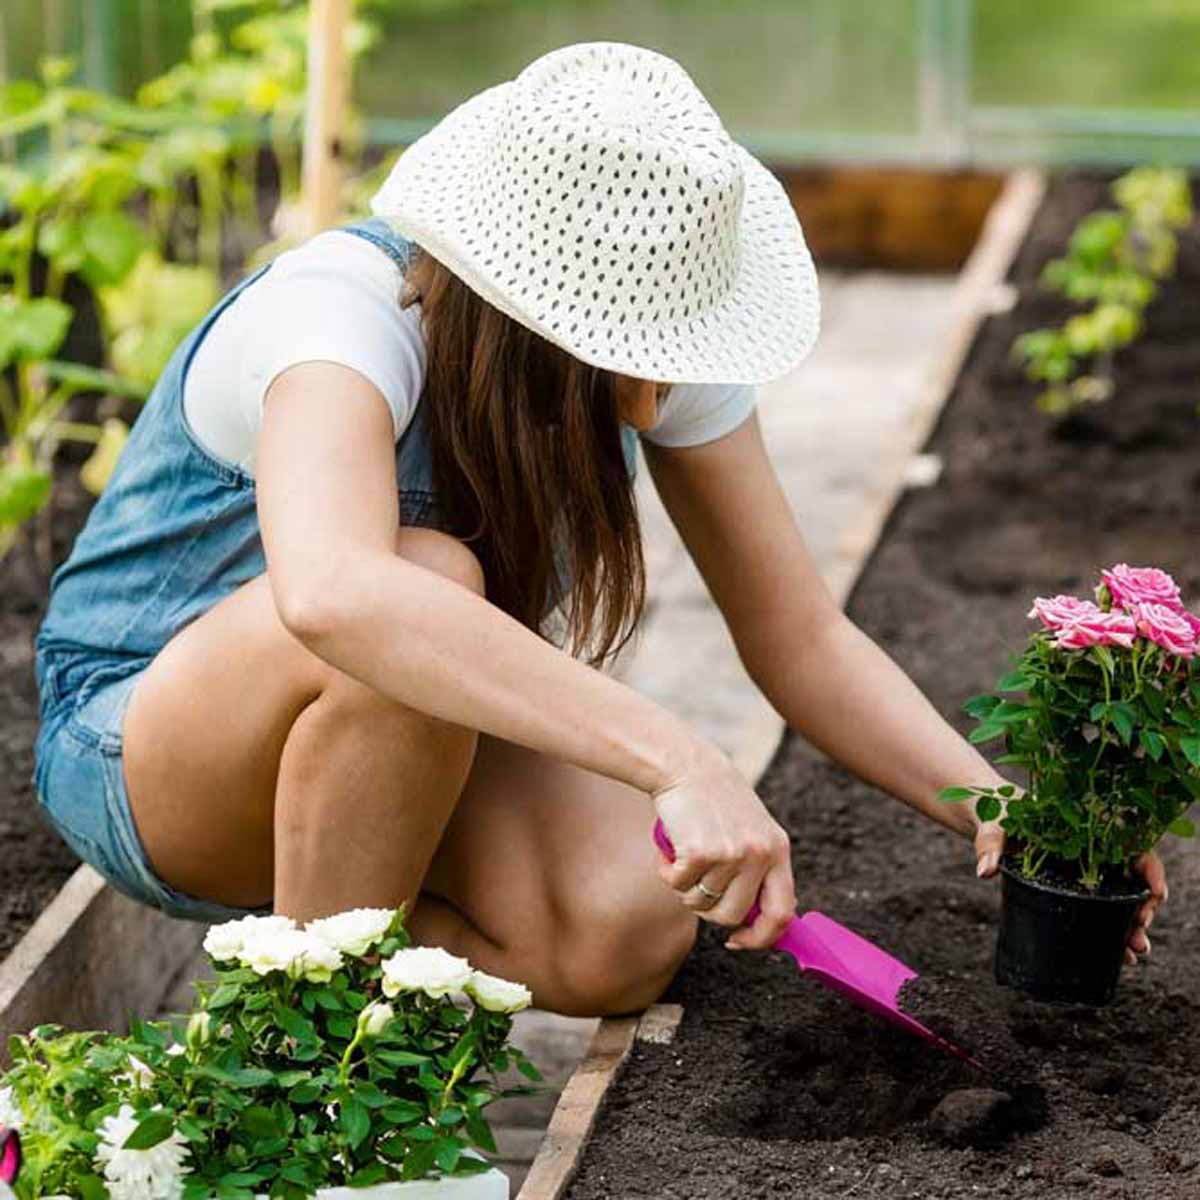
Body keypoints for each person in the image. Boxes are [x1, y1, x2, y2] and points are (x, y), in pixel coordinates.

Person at [30, 42, 1161, 1019]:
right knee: (416, 579)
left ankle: (326, 936)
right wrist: (681, 756)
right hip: (148, 749)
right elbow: (334, 596)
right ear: (542, 325)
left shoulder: (661, 351)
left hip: (388, 742)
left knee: (624, 924)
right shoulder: (340, 319)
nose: (662, 390)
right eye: (638, 347)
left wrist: (1008, 813)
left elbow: (800, 635)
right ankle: (307, 1063)